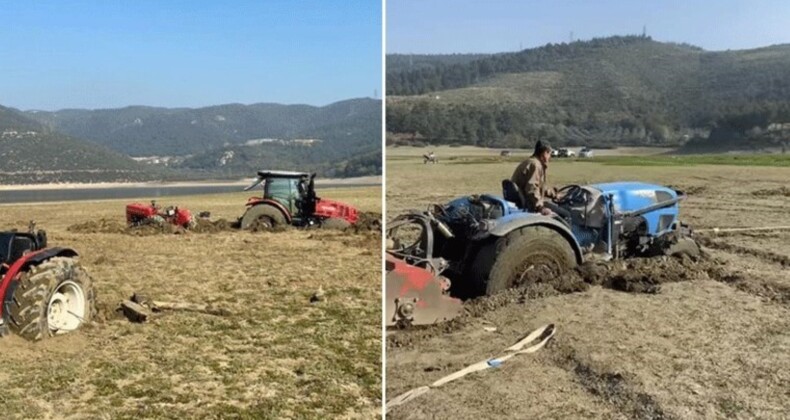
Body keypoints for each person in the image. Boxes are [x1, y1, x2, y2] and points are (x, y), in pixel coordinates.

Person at [510, 140, 558, 215]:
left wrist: (554, 194)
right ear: (544, 153)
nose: (550, 157)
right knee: (560, 214)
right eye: (549, 154)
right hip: (528, 205)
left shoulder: (530, 161)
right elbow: (531, 188)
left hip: (523, 200)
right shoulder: (535, 165)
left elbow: (539, 186)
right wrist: (540, 208)